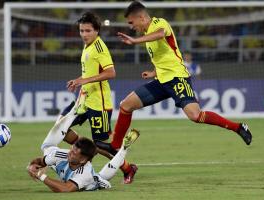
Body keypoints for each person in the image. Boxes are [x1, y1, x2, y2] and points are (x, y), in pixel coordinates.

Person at [97, 1, 252, 154]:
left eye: (131, 22)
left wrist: (135, 41)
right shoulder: (147, 35)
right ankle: (115, 145)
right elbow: (166, 57)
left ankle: (238, 127)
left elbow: (160, 34)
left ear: (142, 17)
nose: (131, 27)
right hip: (162, 80)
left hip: (177, 78)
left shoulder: (159, 23)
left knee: (195, 115)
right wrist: (154, 73)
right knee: (126, 105)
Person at [58, 11, 138, 184]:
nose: (84, 35)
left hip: (99, 104)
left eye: (88, 31)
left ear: (96, 31)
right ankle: (86, 147)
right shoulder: (88, 46)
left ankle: (127, 167)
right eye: (81, 31)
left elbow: (111, 73)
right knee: (61, 128)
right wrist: (81, 83)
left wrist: (83, 80)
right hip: (84, 101)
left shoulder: (100, 48)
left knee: (101, 145)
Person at [27, 125, 140, 192]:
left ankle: (123, 149)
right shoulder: (61, 154)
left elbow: (66, 189)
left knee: (102, 176)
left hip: (94, 183)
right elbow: (40, 161)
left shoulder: (85, 173)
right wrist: (32, 166)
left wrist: (41, 176)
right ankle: (123, 154)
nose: (70, 153)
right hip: (80, 173)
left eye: (74, 153)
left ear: (83, 160)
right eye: (72, 149)